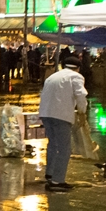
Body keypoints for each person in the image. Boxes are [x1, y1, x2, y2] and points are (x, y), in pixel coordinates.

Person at [38, 55, 87, 192]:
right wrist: (82, 112)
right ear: (78, 68)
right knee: (64, 148)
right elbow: (81, 95)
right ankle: (57, 181)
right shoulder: (76, 77)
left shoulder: (52, 77)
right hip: (61, 115)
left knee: (53, 144)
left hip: (46, 113)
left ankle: (50, 173)